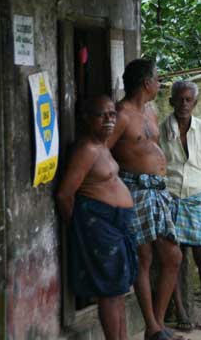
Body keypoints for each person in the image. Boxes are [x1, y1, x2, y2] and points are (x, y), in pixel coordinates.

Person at [107, 59, 183, 340]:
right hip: (135, 190)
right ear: (145, 83)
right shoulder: (121, 115)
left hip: (158, 191)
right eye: (157, 79)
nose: (160, 84)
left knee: (172, 257)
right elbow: (103, 151)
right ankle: (152, 326)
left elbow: (153, 148)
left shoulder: (150, 110)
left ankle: (158, 325)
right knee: (145, 257)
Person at [56, 95, 137, 340]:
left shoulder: (102, 146)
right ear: (86, 119)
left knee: (119, 290)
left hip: (116, 224)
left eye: (112, 114)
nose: (109, 120)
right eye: (102, 115)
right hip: (99, 225)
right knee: (110, 292)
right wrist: (82, 229)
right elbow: (64, 195)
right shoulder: (86, 149)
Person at [159, 81, 201, 332]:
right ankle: (181, 310)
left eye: (189, 100)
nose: (184, 104)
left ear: (195, 104)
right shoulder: (161, 131)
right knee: (173, 258)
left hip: (198, 199)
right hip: (171, 200)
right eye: (179, 99)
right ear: (171, 102)